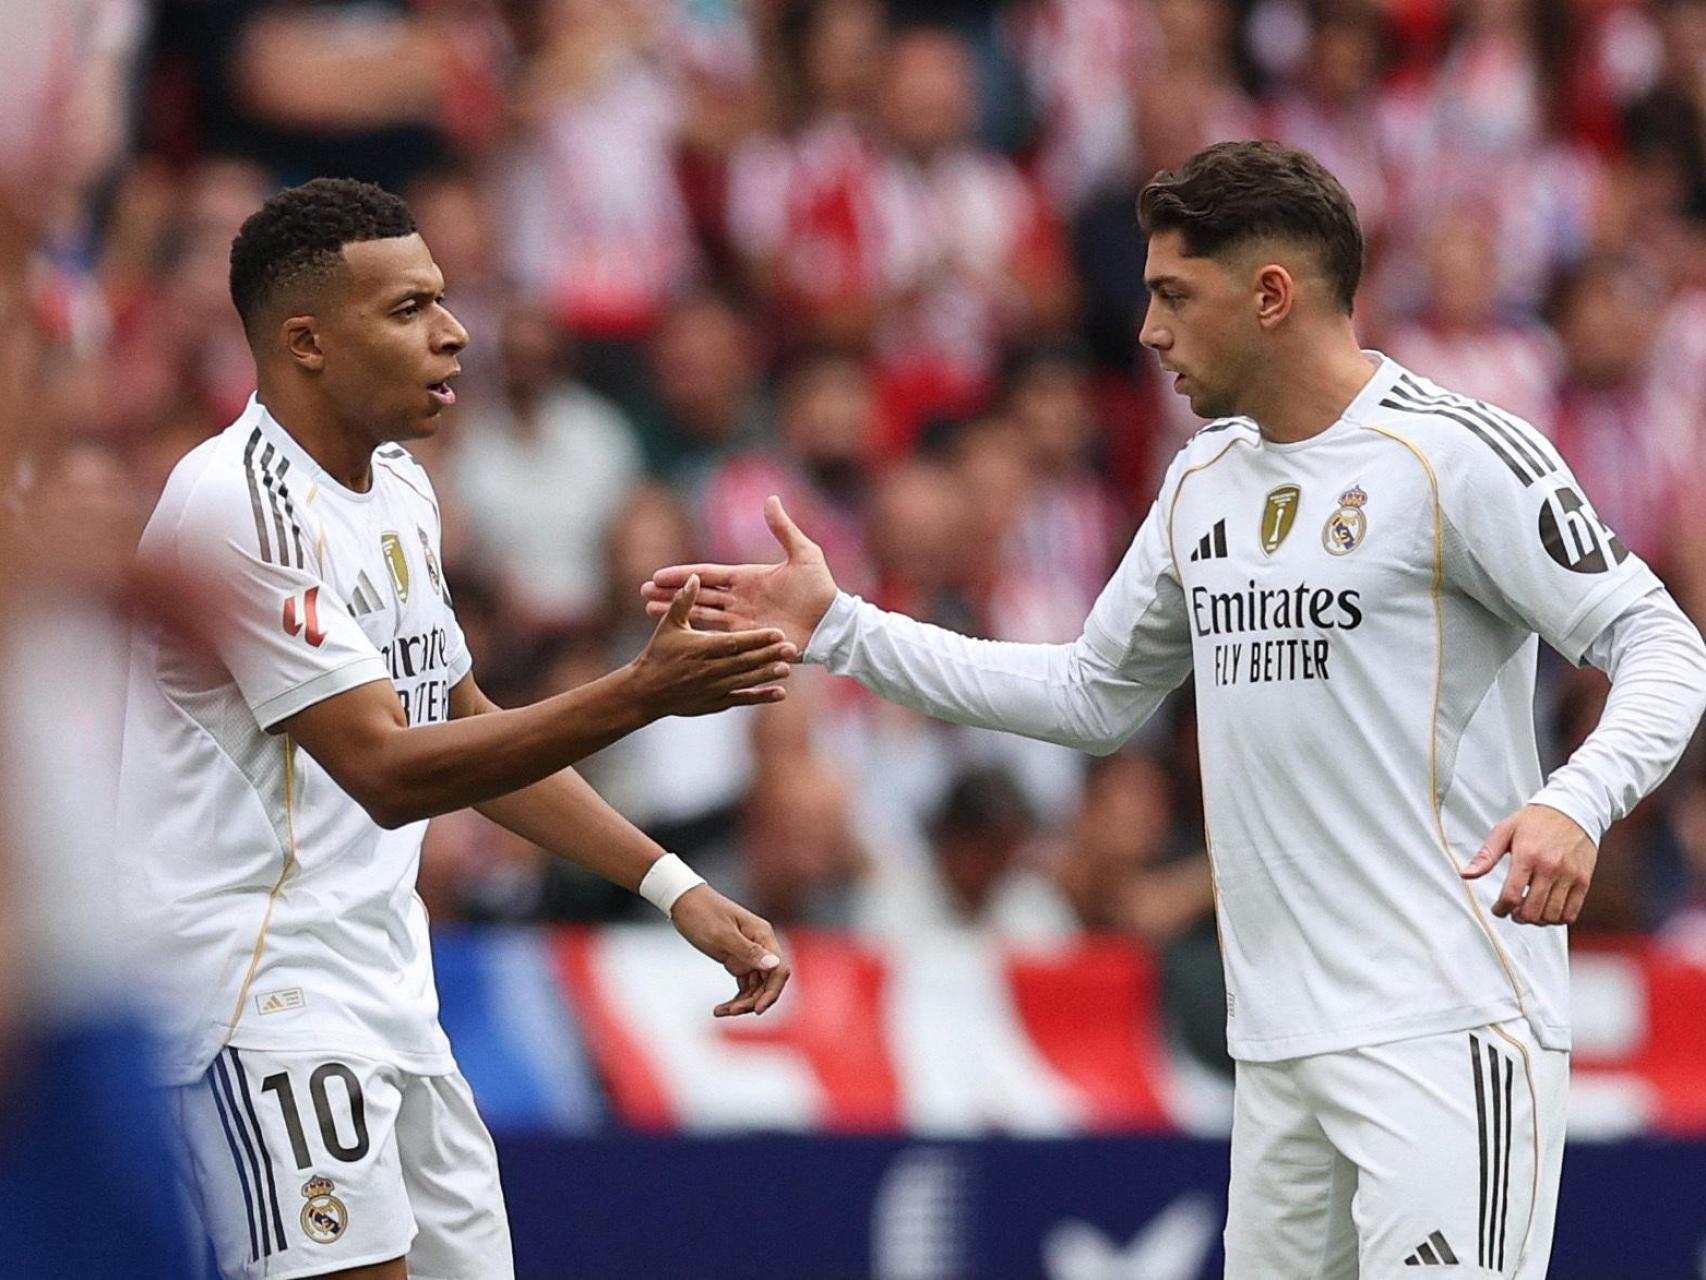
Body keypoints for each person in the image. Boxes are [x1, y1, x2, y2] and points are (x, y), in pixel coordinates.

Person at [644, 140, 1706, 1278]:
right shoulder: (1202, 480)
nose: (1146, 330)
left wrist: (1574, 801)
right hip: (1281, 1046)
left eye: (1171, 294)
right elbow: (1092, 692)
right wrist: (844, 628)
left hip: (1445, 1026)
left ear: (1268, 295)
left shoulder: (1456, 457)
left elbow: (1662, 642)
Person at [118, 177, 794, 1280]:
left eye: (442, 299)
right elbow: (386, 767)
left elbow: (463, 722)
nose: (455, 331)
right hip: (255, 998)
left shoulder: (399, 488)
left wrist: (675, 884)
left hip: (389, 994)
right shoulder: (236, 507)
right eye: (408, 308)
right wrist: (639, 692)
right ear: (306, 342)